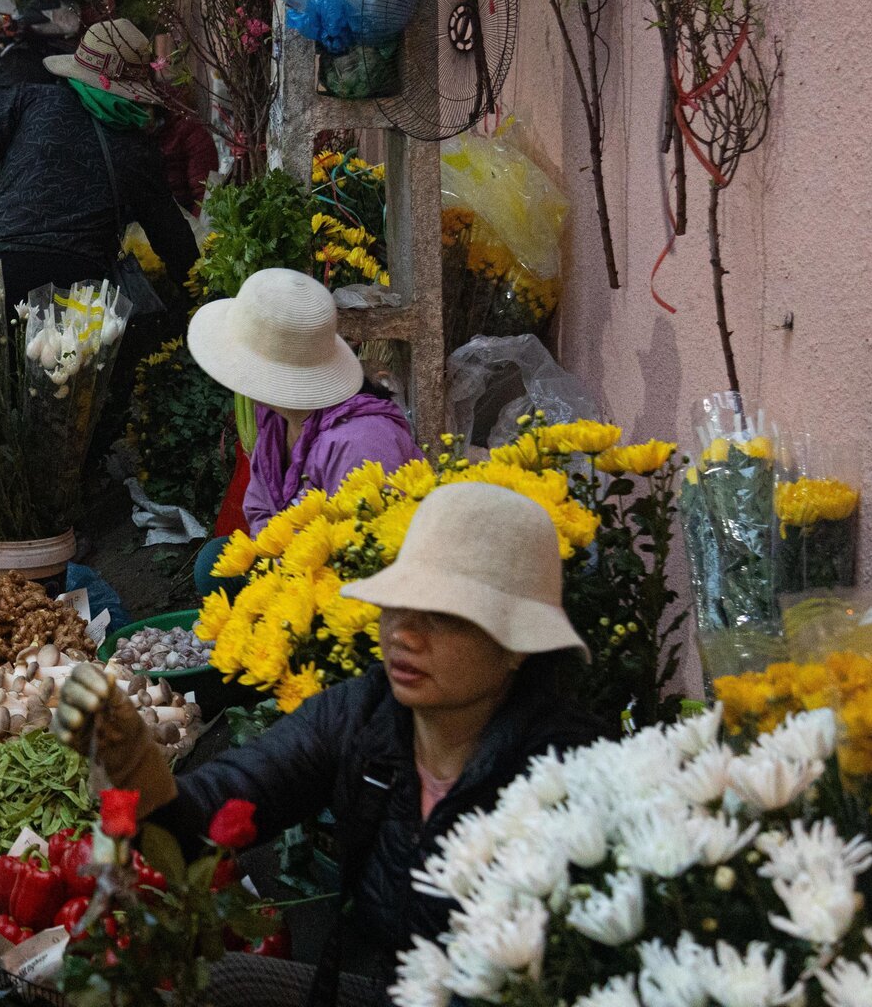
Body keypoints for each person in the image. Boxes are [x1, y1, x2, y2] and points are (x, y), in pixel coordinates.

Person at [54, 482, 603, 1004]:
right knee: (208, 982)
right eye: (399, 603)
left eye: (443, 617)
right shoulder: (361, 717)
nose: (404, 634)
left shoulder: (569, 774)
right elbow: (218, 810)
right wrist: (135, 775)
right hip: (390, 992)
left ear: (518, 646)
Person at [0, 18, 198, 302]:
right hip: (76, 293)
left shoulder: (30, 100)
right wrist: (200, 297)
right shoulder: (139, 149)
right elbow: (172, 239)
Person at [188, 268, 422, 536]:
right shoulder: (275, 416)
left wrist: (278, 561)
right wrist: (271, 547)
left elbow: (364, 553)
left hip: (343, 570)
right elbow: (260, 505)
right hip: (293, 559)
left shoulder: (359, 446)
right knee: (212, 562)